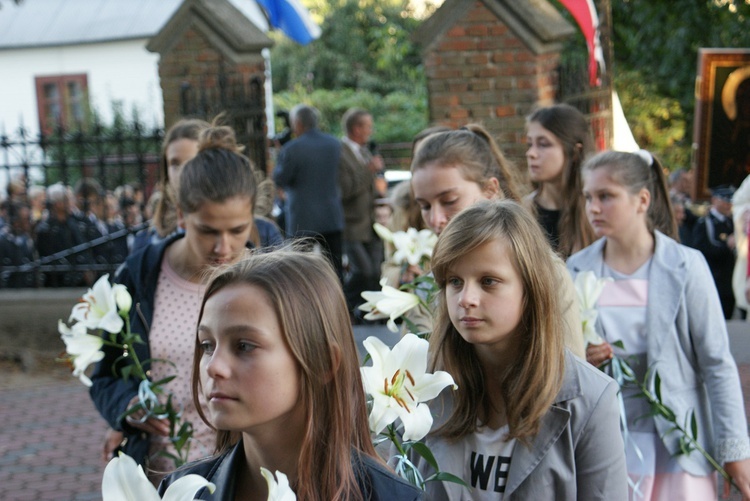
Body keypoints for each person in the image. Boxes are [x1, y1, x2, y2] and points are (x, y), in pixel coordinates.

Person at [158, 249, 423, 500]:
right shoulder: (181, 491)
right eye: (207, 345)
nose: (213, 367)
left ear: (323, 363)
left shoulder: (392, 497)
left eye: (244, 346)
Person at [409, 200, 627, 499]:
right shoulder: (421, 387)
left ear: (530, 288)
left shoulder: (589, 400)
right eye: (454, 281)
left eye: (488, 281)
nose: (466, 298)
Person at [567, 150, 750, 499]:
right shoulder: (576, 270)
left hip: (679, 439)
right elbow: (562, 356)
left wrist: (735, 450)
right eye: (588, 197)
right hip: (611, 440)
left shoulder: (685, 266)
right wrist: (583, 358)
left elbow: (717, 363)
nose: (593, 207)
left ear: (642, 200)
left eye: (606, 196)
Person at [89, 125, 261, 482]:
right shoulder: (140, 276)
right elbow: (104, 375)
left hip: (239, 475)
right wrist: (127, 408)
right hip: (159, 475)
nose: (224, 247)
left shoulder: (265, 279)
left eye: (238, 230)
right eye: (208, 231)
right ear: (181, 215)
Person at [410, 125, 584, 357]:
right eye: (424, 206)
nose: (435, 219)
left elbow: (570, 377)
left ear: (490, 190)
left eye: (449, 200)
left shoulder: (546, 271)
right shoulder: (421, 287)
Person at [133, 118, 281, 254]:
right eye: (175, 163)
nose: (184, 172)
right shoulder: (146, 242)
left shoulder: (264, 231)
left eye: (192, 161)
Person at [273, 104, 345, 279]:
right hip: (331, 216)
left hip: (302, 219)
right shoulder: (335, 144)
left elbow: (280, 179)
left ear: (297, 123)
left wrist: (278, 152)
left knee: (301, 271)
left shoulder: (292, 149)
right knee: (335, 270)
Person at [525, 103, 597, 258]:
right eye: (530, 144)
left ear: (575, 151)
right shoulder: (523, 212)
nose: (531, 153)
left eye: (543, 144)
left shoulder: (595, 209)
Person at [339, 108, 386, 312]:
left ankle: (367, 310)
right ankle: (340, 306)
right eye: (368, 126)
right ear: (356, 128)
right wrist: (369, 171)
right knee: (363, 271)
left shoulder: (365, 151)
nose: (371, 130)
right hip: (352, 224)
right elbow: (345, 189)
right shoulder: (340, 152)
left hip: (371, 223)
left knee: (376, 271)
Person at [692, 185, 737, 319]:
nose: (729, 204)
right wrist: (726, 246)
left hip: (729, 282)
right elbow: (701, 251)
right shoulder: (705, 223)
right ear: (715, 200)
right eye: (725, 200)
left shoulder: (731, 222)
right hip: (714, 280)